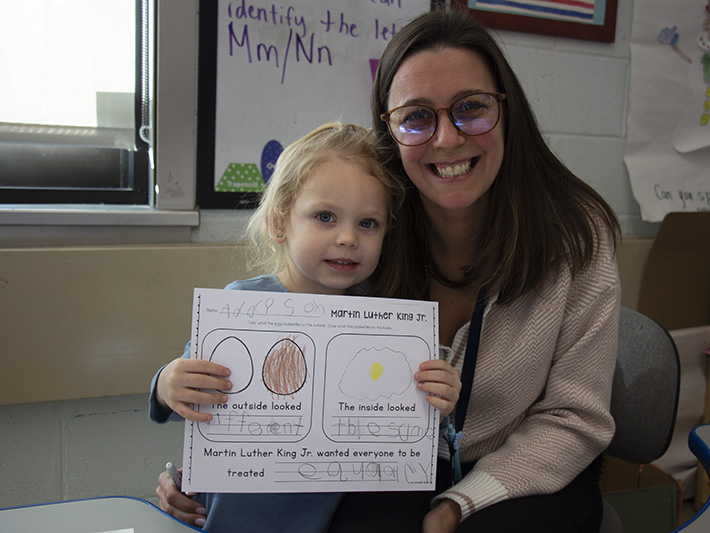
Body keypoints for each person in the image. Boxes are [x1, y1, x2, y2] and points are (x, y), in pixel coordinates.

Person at [324, 7, 622, 533]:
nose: (446, 139)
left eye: (471, 108)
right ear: (389, 132)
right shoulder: (365, 225)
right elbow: (301, 360)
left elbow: (575, 419)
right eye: (416, 117)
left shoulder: (577, 234)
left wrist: (459, 502)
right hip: (395, 461)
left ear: (507, 112)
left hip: (528, 464)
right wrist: (219, 471)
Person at [149, 122, 462, 532]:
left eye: (368, 223)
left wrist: (437, 403)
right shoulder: (240, 305)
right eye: (325, 217)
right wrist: (166, 384)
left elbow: (401, 433)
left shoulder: (384, 327)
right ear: (280, 222)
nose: (348, 237)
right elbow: (184, 398)